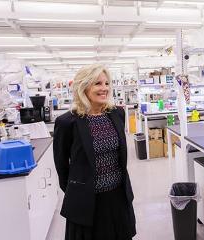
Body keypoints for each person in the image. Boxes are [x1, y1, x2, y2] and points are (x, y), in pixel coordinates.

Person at [53, 64, 136, 240]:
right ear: (84, 87)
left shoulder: (117, 114)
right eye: (98, 83)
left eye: (107, 83)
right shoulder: (68, 122)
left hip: (118, 199)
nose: (104, 88)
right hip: (87, 205)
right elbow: (62, 167)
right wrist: (79, 191)